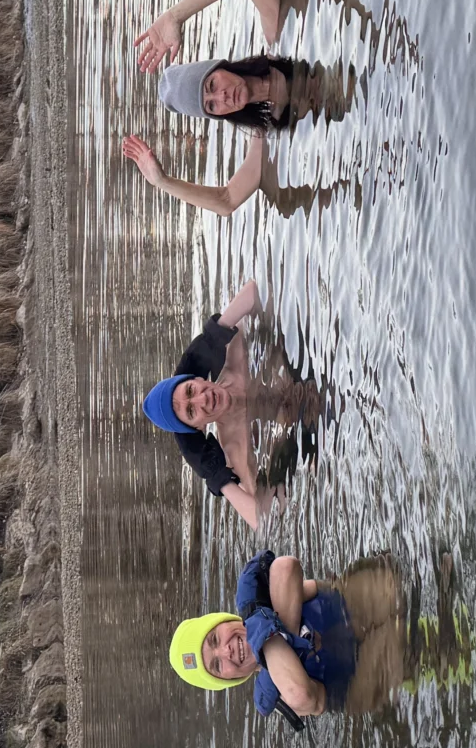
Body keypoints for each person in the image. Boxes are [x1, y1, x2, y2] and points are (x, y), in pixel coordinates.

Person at [121, 0, 356, 218]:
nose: (221, 96)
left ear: (220, 68)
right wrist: (163, 181)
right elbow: (227, 200)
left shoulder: (280, 38)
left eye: (211, 84)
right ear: (217, 115)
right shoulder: (265, 134)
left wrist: (176, 16)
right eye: (211, 105)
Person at [141, 281, 323, 530]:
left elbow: (253, 293)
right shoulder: (236, 445)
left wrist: (215, 332)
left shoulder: (236, 356)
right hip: (317, 429)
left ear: (195, 378)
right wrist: (219, 479)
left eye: (191, 391)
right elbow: (262, 519)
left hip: (317, 368)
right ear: (198, 427)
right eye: (191, 411)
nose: (203, 399)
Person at [168, 550, 408, 724]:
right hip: (362, 675)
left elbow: (286, 566)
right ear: (229, 680)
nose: (226, 651)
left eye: (214, 639)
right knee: (401, 647)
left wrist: (277, 627)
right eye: (217, 665)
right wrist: (268, 638)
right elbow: (302, 694)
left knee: (392, 584)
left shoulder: (272, 602)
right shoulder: (280, 692)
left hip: (351, 610)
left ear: (224, 620)